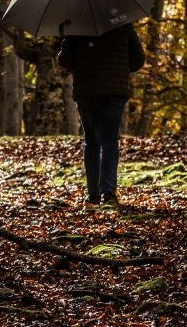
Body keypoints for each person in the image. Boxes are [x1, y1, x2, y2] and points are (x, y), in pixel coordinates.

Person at [57, 23, 145, 205]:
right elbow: (138, 60)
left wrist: (65, 38)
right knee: (110, 141)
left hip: (86, 91)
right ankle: (108, 193)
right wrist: (118, 67)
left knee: (91, 142)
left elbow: (64, 61)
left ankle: (93, 194)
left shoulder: (77, 26)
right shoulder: (123, 25)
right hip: (114, 91)